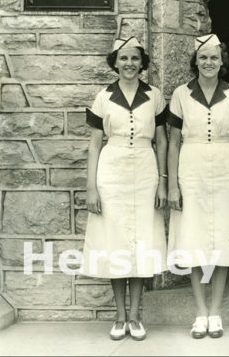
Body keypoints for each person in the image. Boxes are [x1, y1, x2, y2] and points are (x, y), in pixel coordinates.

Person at [83, 36, 168, 342]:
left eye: (134, 59)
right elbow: (94, 144)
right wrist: (92, 187)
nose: (129, 64)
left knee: (141, 241)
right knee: (116, 241)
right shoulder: (103, 97)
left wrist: (163, 182)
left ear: (142, 63)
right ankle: (119, 317)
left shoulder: (154, 95)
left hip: (145, 170)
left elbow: (162, 141)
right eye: (123, 58)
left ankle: (135, 316)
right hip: (112, 170)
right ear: (115, 62)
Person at [167, 34, 229, 340]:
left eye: (214, 57)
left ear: (222, 61)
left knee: (223, 239)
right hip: (191, 166)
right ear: (195, 61)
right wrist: (173, 185)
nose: (209, 63)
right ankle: (200, 311)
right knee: (195, 238)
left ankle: (216, 310)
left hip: (224, 167)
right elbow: (173, 143)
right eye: (203, 57)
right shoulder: (180, 94)